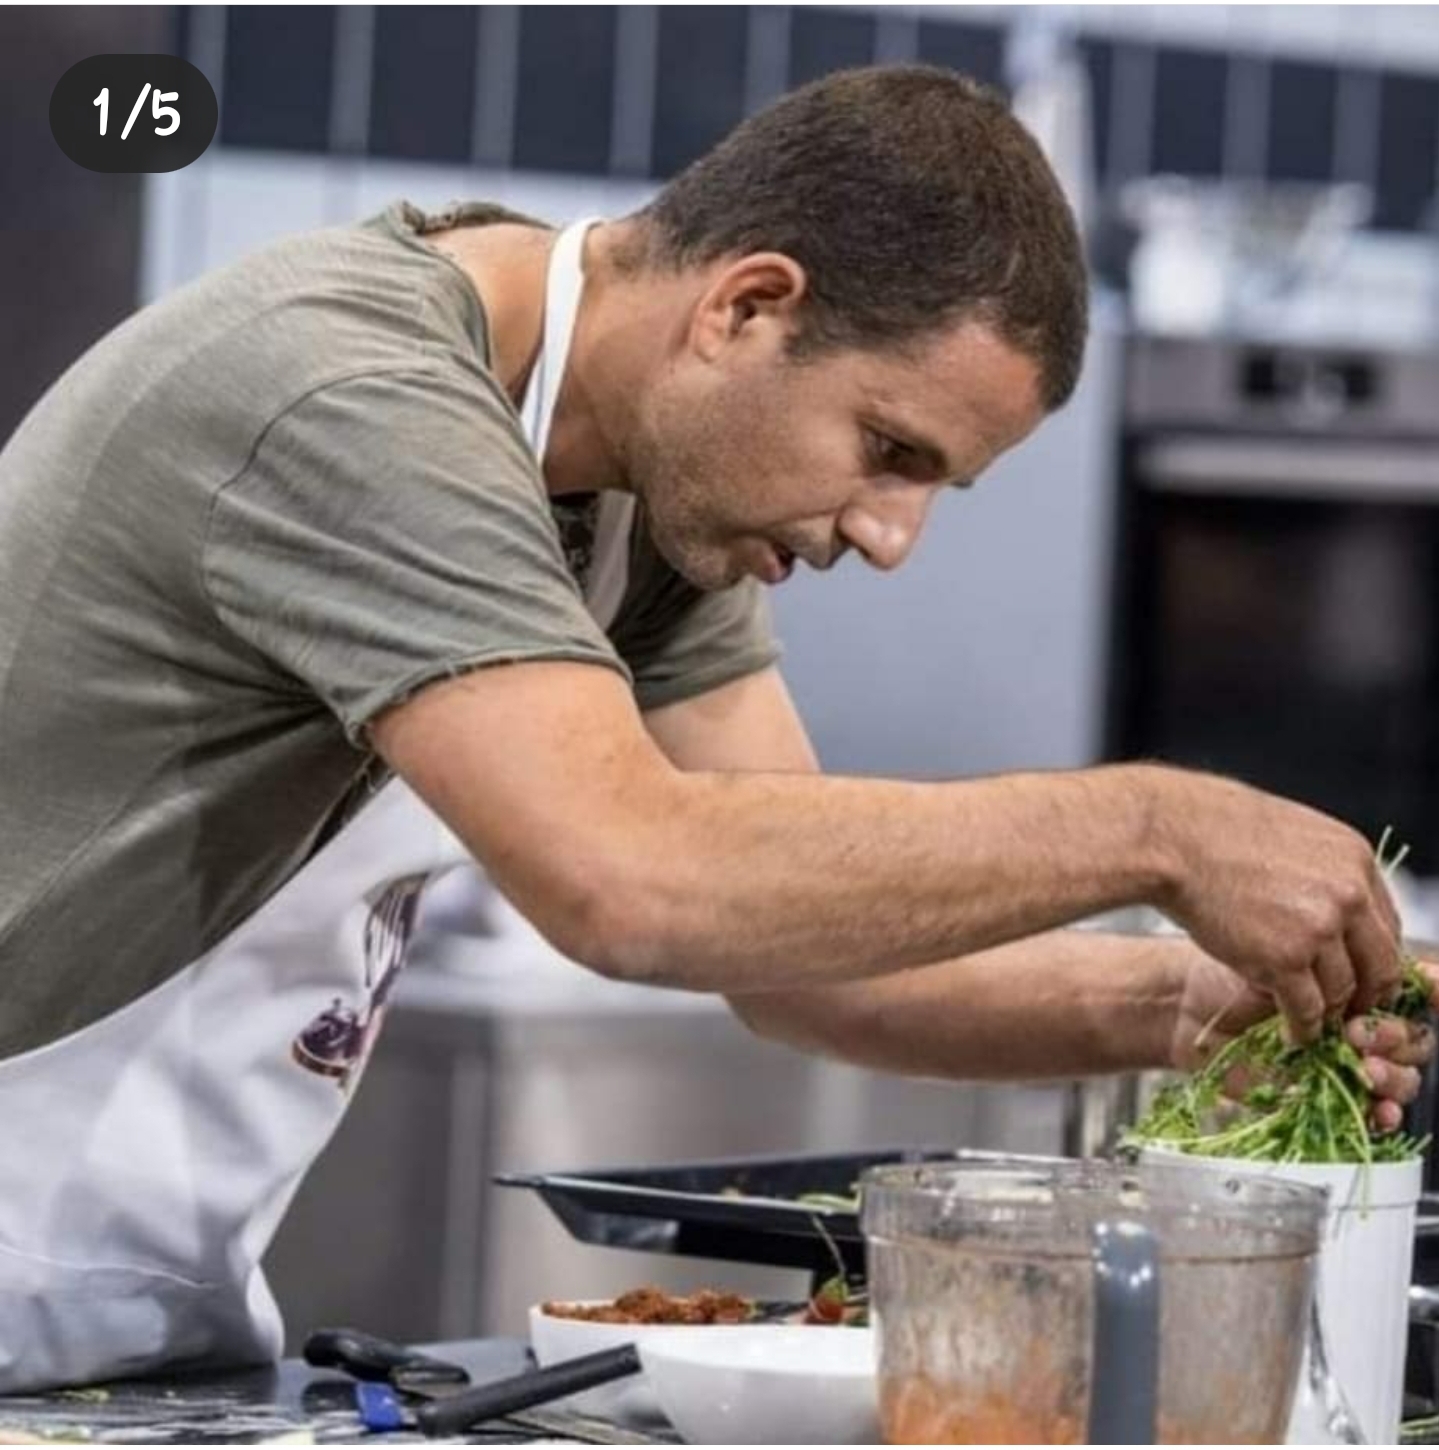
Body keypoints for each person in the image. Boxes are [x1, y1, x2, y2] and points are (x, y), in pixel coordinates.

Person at [0, 64, 1432, 1390]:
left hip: (128, 1332)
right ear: (747, 305)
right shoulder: (357, 397)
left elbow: (801, 965)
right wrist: (1157, 827)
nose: (889, 537)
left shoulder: (639, 484)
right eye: (890, 450)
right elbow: (635, 878)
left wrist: (1182, 1005)